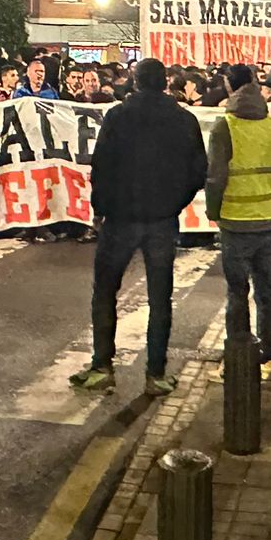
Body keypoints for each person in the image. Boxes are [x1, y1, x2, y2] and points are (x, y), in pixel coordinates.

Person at [70, 58, 206, 394]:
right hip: (161, 219)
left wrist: (100, 208)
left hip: (121, 217)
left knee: (105, 291)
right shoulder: (183, 120)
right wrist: (175, 202)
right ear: (165, 83)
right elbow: (197, 171)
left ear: (135, 81)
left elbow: (101, 165)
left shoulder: (118, 116)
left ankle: (102, 365)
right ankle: (155, 374)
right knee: (160, 298)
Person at [205, 63, 271, 378]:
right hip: (268, 222)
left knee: (237, 292)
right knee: (269, 292)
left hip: (234, 222)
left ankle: (239, 354)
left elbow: (216, 178)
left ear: (230, 89)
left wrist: (213, 211)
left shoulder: (225, 127)